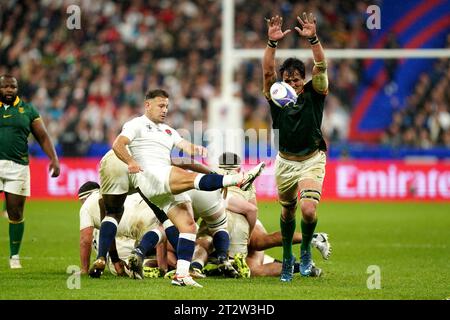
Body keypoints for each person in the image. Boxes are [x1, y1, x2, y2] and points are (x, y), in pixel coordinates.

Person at [92, 89, 265, 288]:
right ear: (147, 105)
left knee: (188, 225)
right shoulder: (136, 124)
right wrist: (130, 161)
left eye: (166, 106)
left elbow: (185, 147)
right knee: (190, 178)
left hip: (162, 183)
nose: (164, 110)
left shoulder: (168, 131)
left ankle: (182, 274)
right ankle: (237, 179)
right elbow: (118, 144)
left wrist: (196, 148)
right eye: (160, 105)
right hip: (150, 176)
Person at [262, 13, 329, 281]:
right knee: (287, 211)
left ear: (303, 80)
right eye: (287, 80)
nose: (292, 83)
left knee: (309, 209)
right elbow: (268, 72)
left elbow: (321, 66)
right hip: (285, 162)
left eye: (297, 79)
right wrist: (271, 43)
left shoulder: (315, 93)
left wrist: (313, 38)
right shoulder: (276, 99)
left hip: (312, 160)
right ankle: (287, 256)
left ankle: (305, 253)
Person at [0, 74, 60, 269]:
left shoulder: (27, 110)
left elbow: (42, 136)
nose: (9, 90)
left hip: (18, 167)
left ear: (17, 89)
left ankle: (14, 256)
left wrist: (54, 158)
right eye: (5, 86)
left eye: (12, 87)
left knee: (15, 212)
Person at [77, 181, 169, 279]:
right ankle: (168, 267)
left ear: (84, 198)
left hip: (132, 224)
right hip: (143, 203)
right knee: (165, 230)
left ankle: (147, 265)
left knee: (161, 233)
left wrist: (84, 269)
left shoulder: (86, 206)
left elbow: (85, 240)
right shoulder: (111, 193)